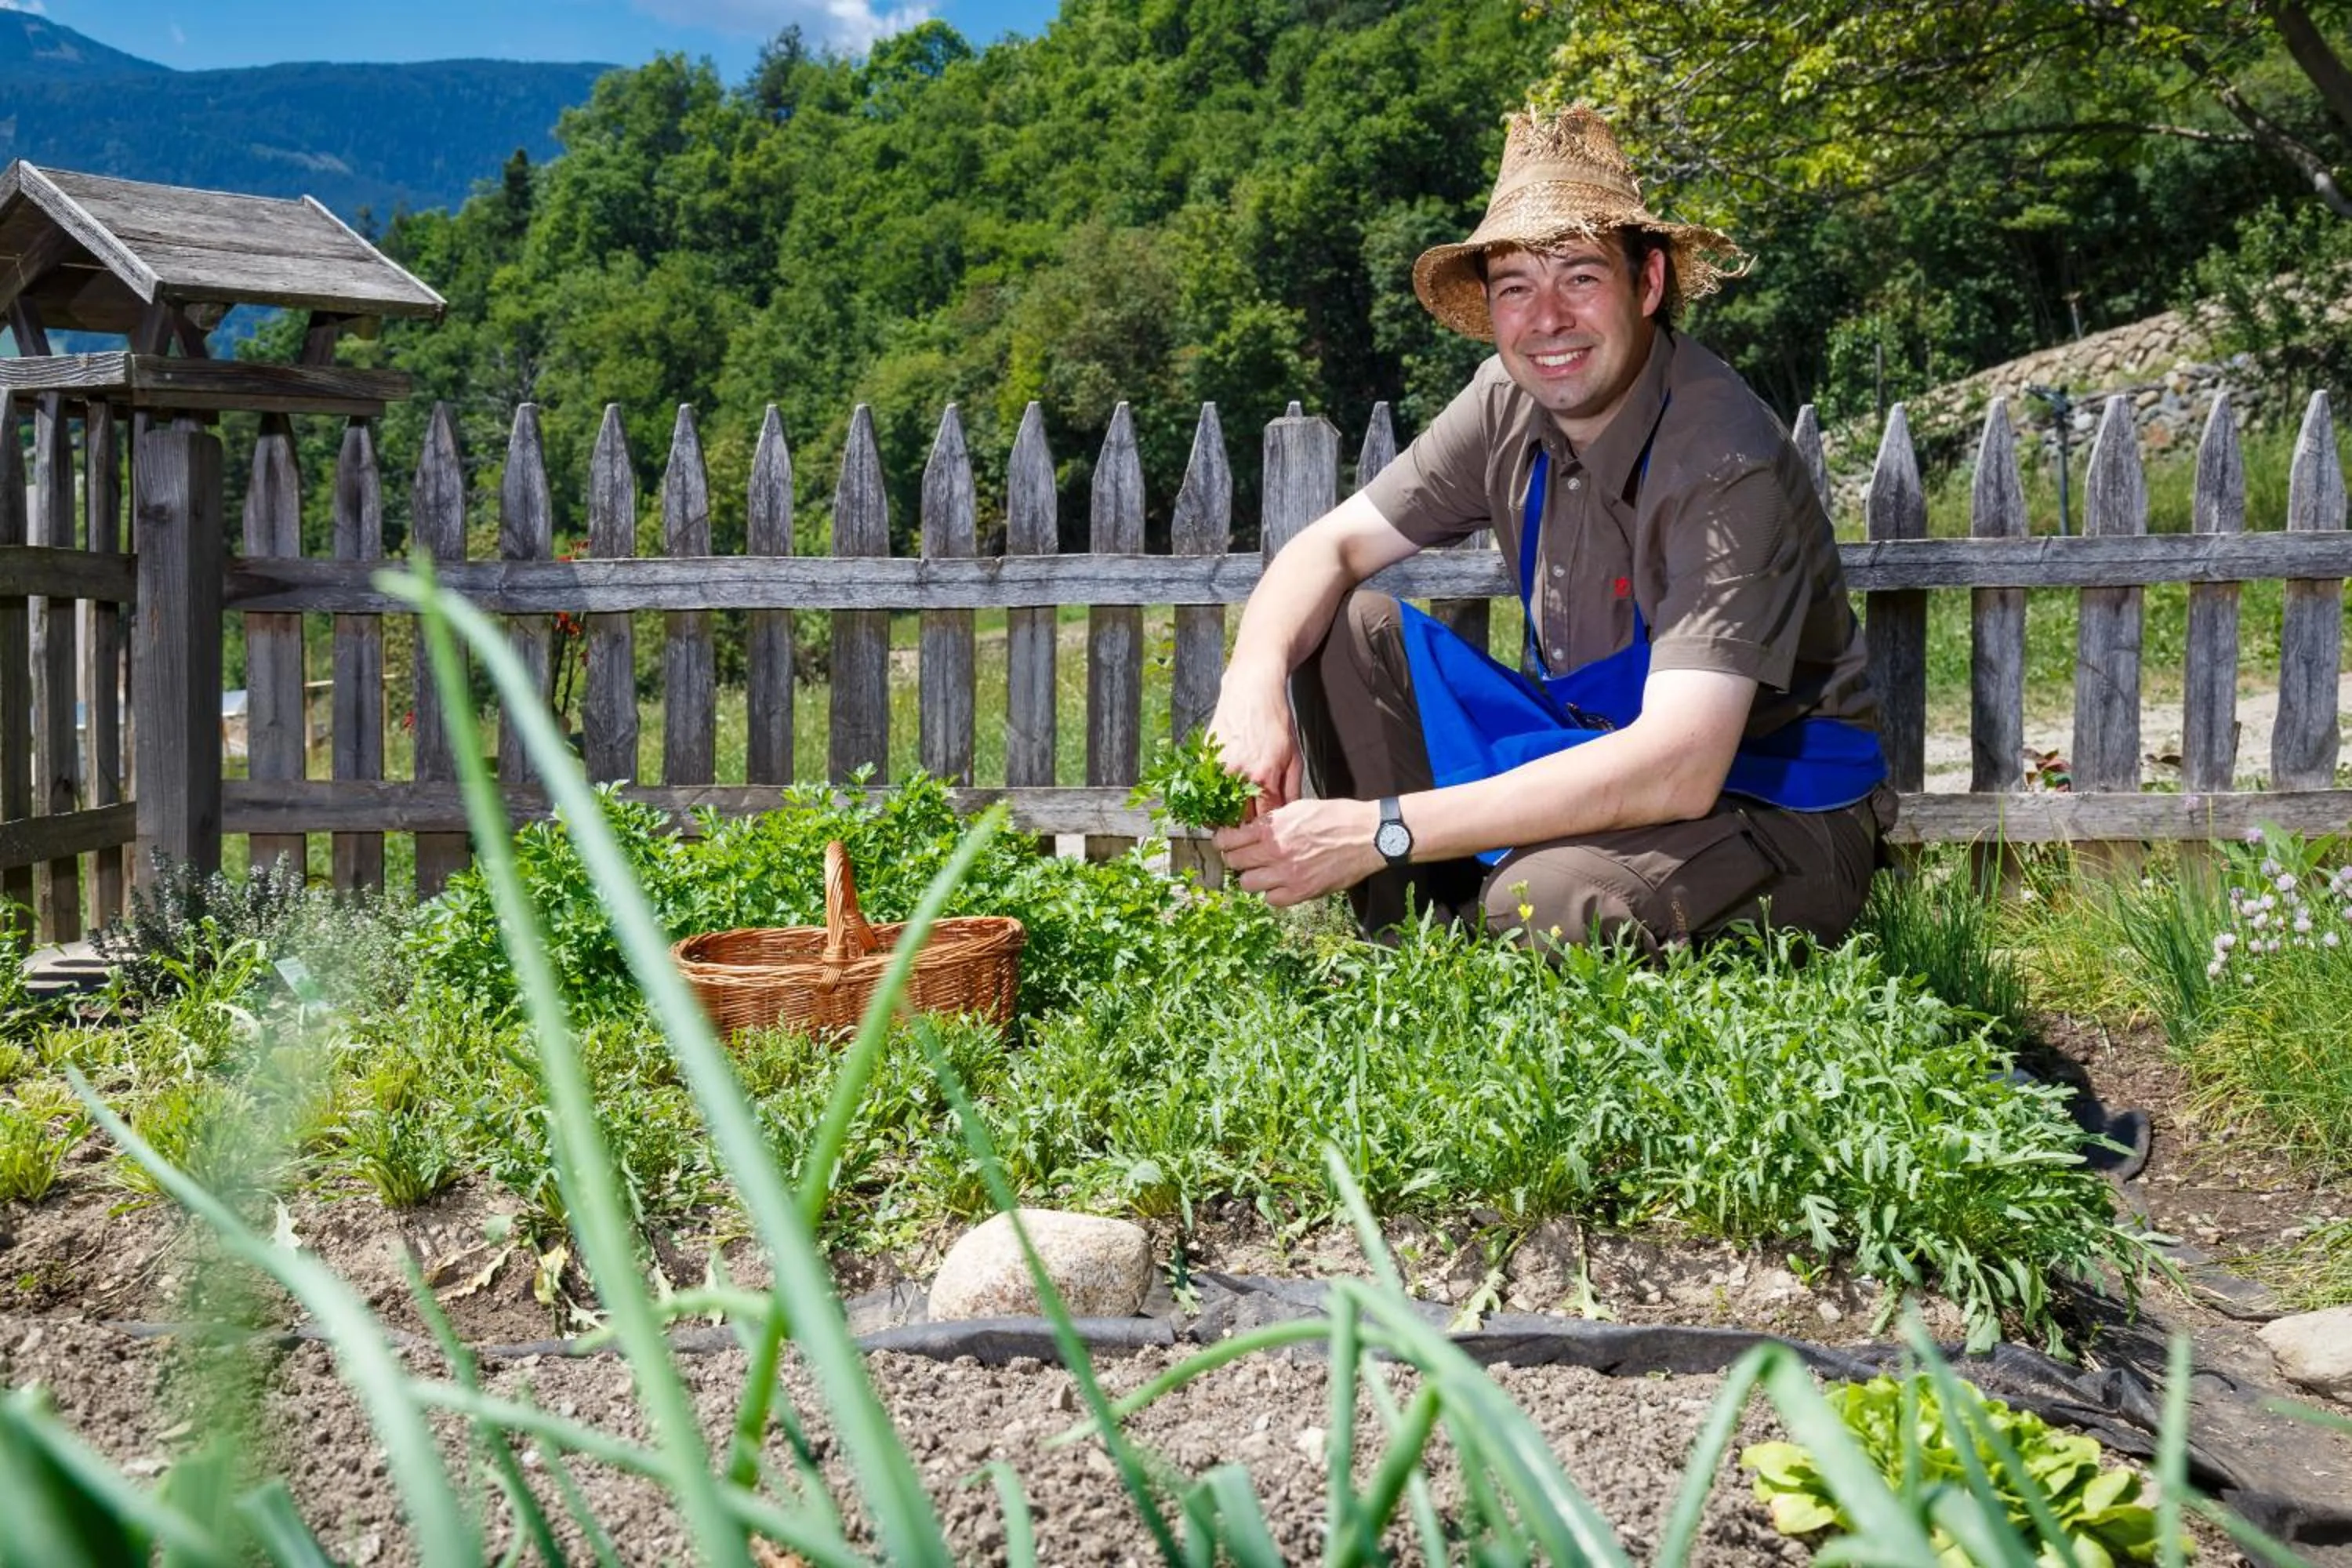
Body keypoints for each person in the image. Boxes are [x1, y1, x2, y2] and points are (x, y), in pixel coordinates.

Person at [1207, 104, 1896, 953]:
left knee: (1545, 901)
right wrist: (1253, 683)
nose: (1547, 319)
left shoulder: (1726, 463)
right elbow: (1330, 545)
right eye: (1515, 288)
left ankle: (1488, 935)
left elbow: (1680, 765)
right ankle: (1410, 951)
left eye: (1579, 275)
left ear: (1646, 284)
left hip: (1772, 805)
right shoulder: (1505, 399)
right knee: (1348, 626)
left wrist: (1380, 828)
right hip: (1594, 756)